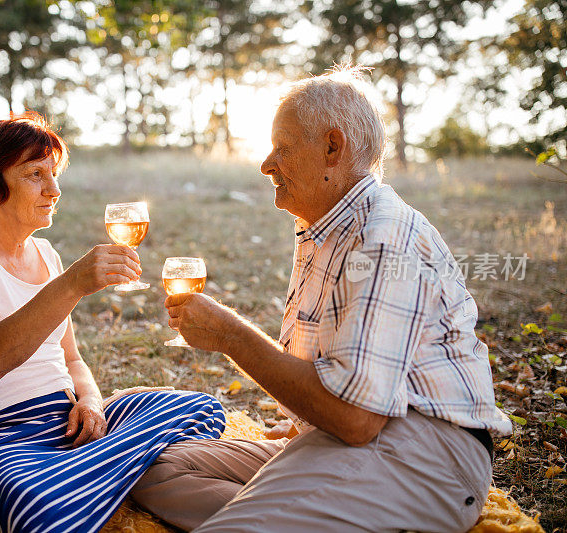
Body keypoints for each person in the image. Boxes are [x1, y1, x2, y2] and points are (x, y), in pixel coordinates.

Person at [130, 66, 512, 532]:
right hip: (345, 436)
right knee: (150, 470)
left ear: (333, 147)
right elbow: (342, 370)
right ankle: (315, 514)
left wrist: (230, 335)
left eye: (282, 149)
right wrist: (300, 434)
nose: (266, 164)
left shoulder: (382, 240)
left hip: (427, 452)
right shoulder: (323, 226)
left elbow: (354, 418)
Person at [0, 113, 225, 533]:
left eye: (54, 174)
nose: (54, 190)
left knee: (201, 408)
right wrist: (74, 283)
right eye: (35, 175)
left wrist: (92, 402)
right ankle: (121, 474)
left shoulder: (46, 254)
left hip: (65, 426)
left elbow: (72, 359)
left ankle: (84, 477)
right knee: (34, 511)